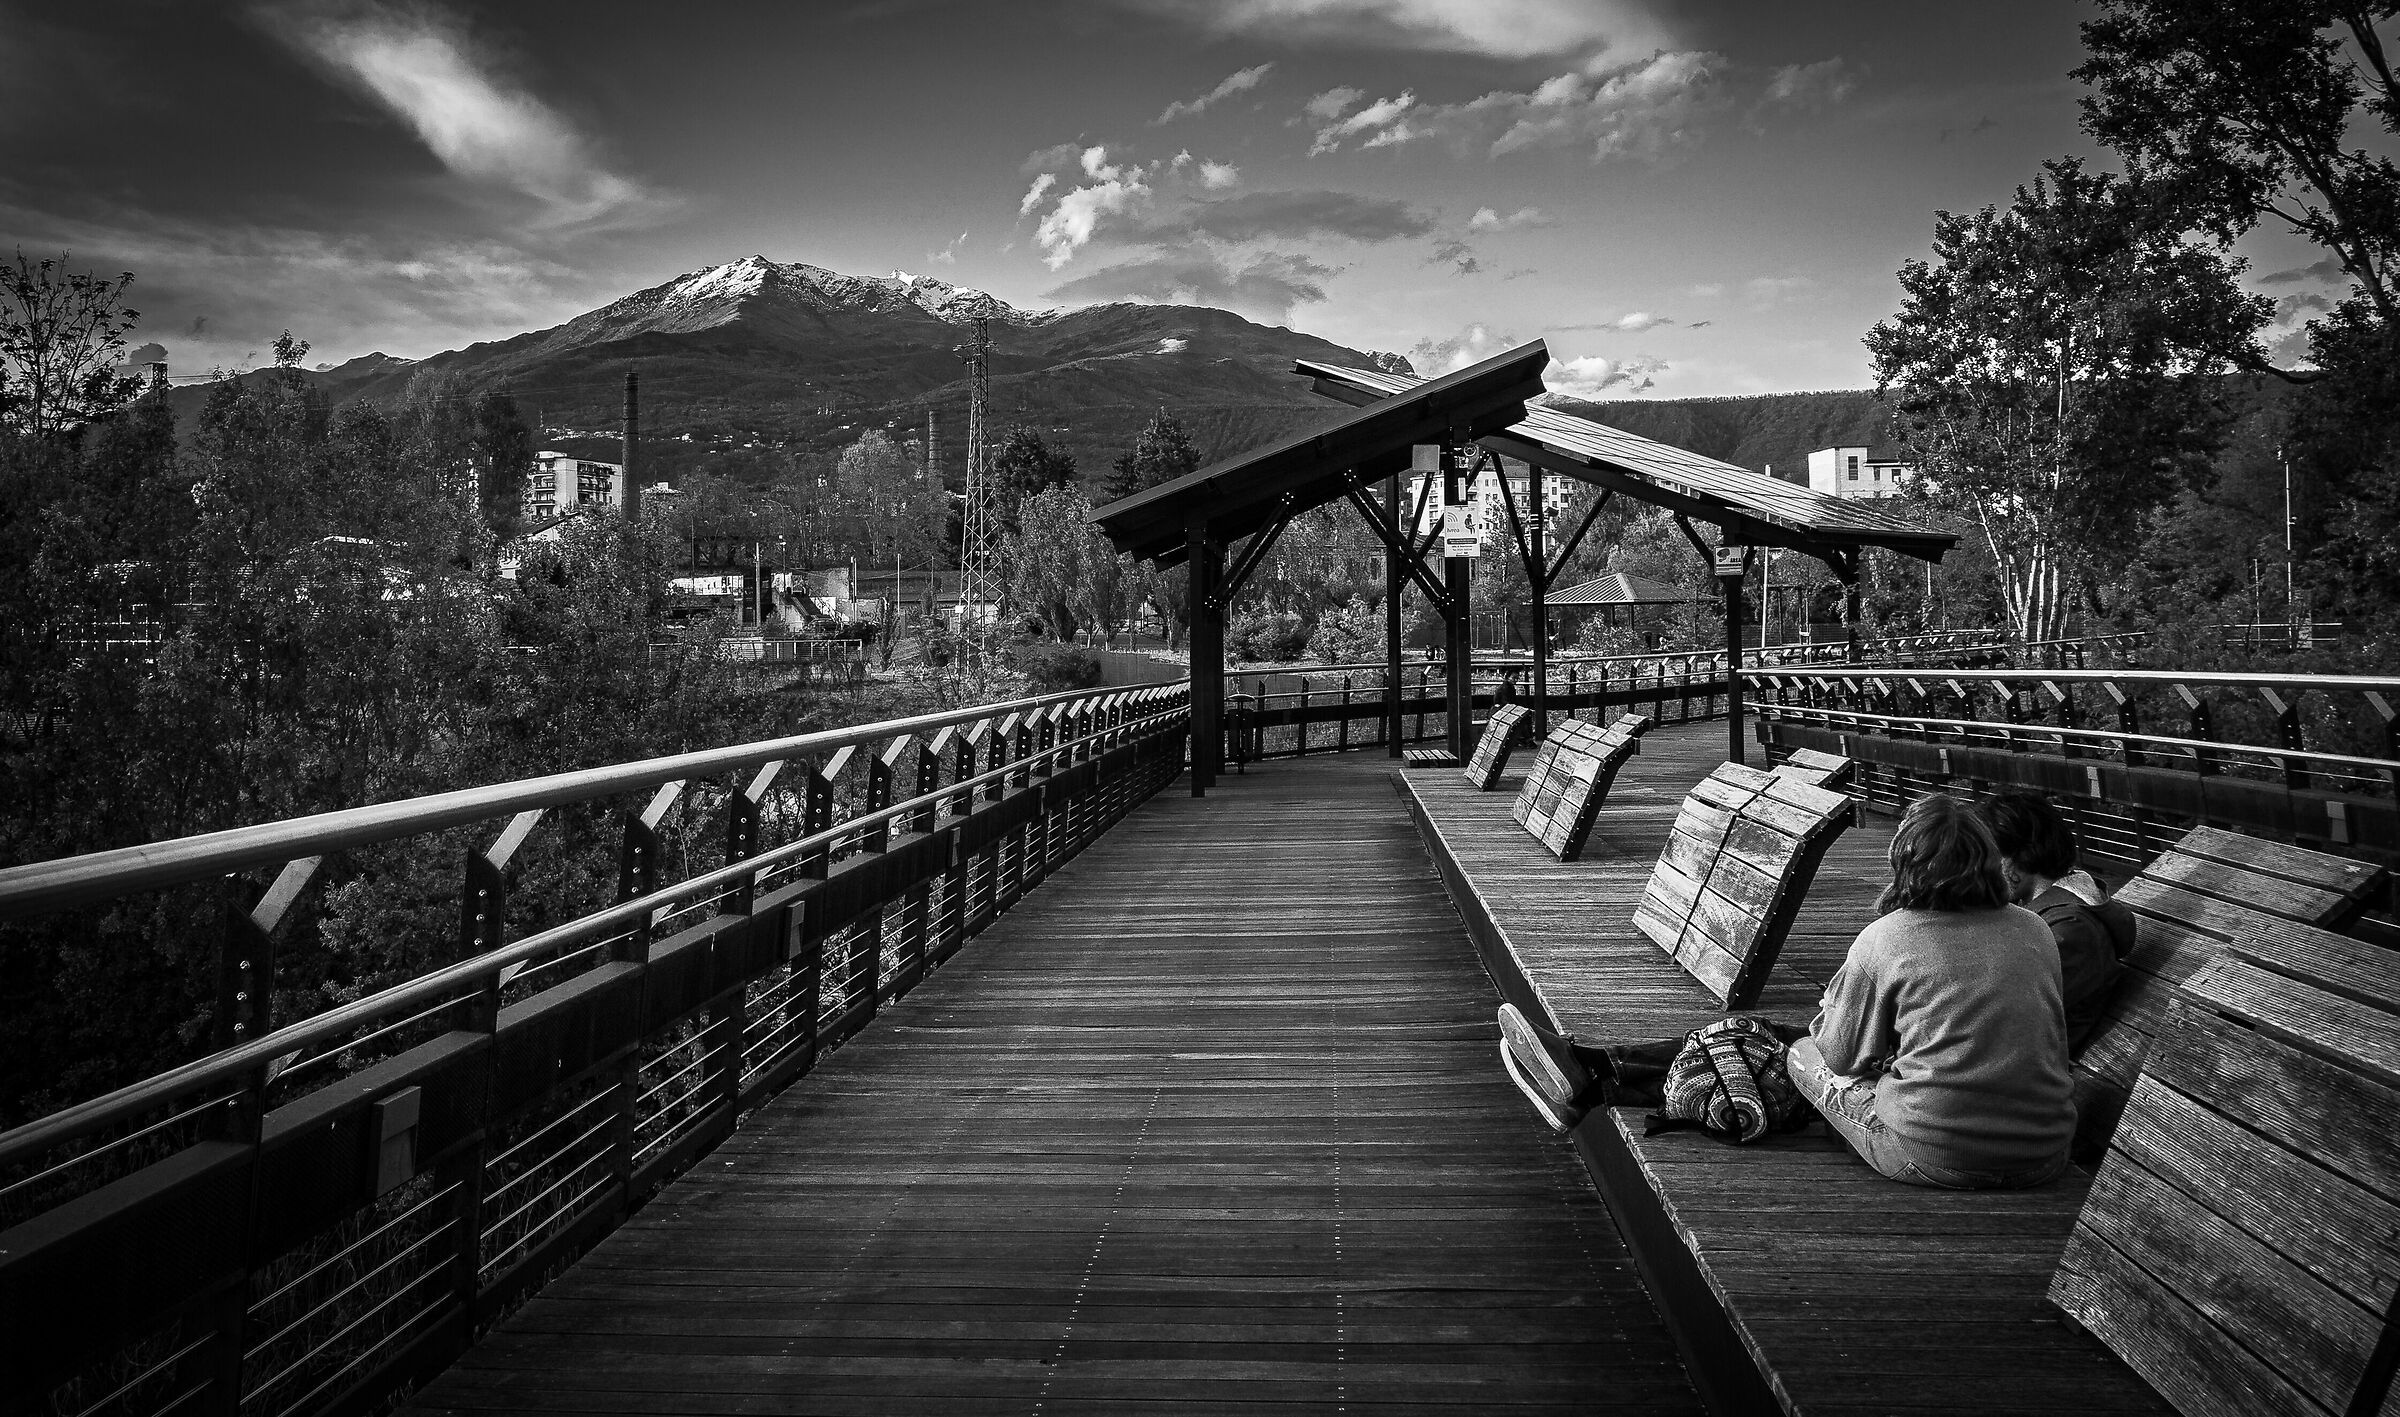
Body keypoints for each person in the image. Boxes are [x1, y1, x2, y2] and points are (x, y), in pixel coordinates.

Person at [1783, 793, 2075, 1189]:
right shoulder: (2035, 929)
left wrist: (1835, 1009)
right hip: (2045, 1154)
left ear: (1904, 863)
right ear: (1990, 859)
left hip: (1933, 1157)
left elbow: (1840, 1058)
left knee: (1803, 1054)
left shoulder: (1883, 939)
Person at [1974, 791, 2137, 1054]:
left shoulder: (2068, 930)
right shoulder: (2050, 915)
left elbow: (2009, 1022)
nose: (1980, 870)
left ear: (2019, 857)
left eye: (1987, 857)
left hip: (2027, 1076)